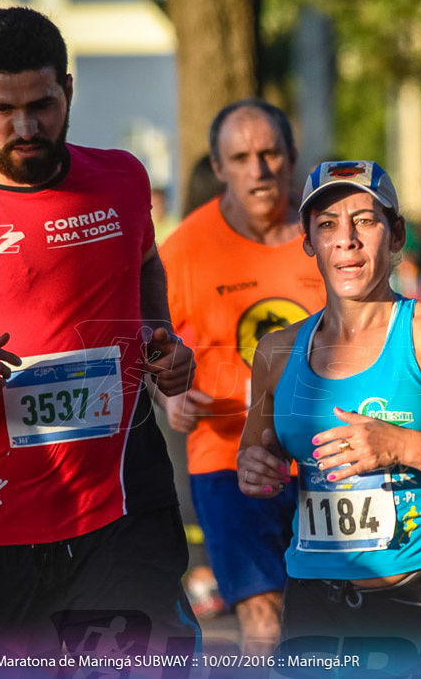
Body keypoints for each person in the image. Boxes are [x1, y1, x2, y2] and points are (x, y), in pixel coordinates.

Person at [0, 6, 199, 667]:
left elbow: (143, 265)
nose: (25, 127)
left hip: (120, 505)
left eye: (42, 104)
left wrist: (159, 339)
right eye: (1, 109)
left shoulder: (123, 179)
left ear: (68, 89)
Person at [236, 160, 421, 657]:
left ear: (395, 236)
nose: (346, 240)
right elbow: (256, 463)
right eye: (328, 225)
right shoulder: (276, 351)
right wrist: (256, 470)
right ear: (309, 241)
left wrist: (400, 445)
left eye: (365, 221)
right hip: (316, 601)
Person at [157, 99, 326, 653]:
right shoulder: (184, 250)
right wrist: (168, 395)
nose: (259, 170)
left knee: (330, 618)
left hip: (329, 454)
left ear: (292, 157)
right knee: (262, 616)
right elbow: (145, 345)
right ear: (219, 164)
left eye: (270, 153)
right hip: (228, 458)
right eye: (242, 157)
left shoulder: (330, 238)